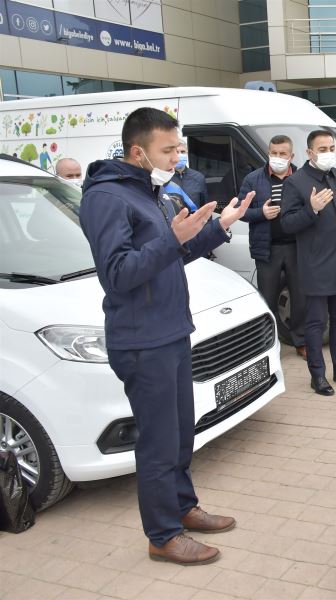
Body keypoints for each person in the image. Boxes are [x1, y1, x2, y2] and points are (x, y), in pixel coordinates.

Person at [79, 107, 249, 565]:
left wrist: (217, 228)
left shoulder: (147, 190)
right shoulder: (107, 198)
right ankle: (162, 535)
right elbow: (117, 274)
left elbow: (169, 256)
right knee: (156, 443)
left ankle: (183, 507)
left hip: (171, 331)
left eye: (179, 147)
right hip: (142, 341)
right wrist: (170, 240)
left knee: (179, 435)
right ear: (139, 151)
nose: (178, 156)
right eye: (168, 149)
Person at [281, 130, 336, 395]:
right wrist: (312, 209)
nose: (328, 152)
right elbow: (287, 223)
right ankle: (317, 374)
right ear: (309, 153)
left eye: (331, 147)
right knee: (316, 323)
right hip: (316, 264)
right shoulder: (296, 182)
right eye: (322, 148)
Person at [238, 134, 307, 359]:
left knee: (300, 296)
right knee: (267, 297)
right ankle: (270, 343)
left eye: (282, 154)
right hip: (267, 248)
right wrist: (261, 213)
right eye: (273, 153)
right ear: (268, 154)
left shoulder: (302, 177)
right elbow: (240, 211)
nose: (277, 158)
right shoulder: (253, 179)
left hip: (297, 247)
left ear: (291, 156)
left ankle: (300, 340)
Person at [170, 139, 208, 207]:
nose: (180, 155)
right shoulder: (164, 177)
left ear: (187, 153)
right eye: (176, 152)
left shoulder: (198, 177)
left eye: (183, 152)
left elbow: (205, 206)